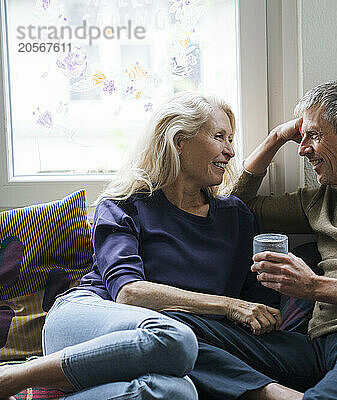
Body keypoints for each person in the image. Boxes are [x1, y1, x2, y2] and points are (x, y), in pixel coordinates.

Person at [166, 80, 337, 400]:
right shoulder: (318, 200)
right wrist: (275, 138)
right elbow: (236, 209)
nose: (302, 149)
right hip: (317, 346)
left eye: (313, 136)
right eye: (301, 138)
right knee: (172, 330)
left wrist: (312, 286)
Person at [0, 92, 281, 400]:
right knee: (176, 337)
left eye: (231, 139)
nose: (229, 151)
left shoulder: (237, 217)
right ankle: (15, 377)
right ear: (178, 141)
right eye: (219, 137)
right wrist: (228, 305)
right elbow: (128, 293)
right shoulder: (124, 205)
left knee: (178, 392)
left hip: (162, 351)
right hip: (83, 322)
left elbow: (257, 305)